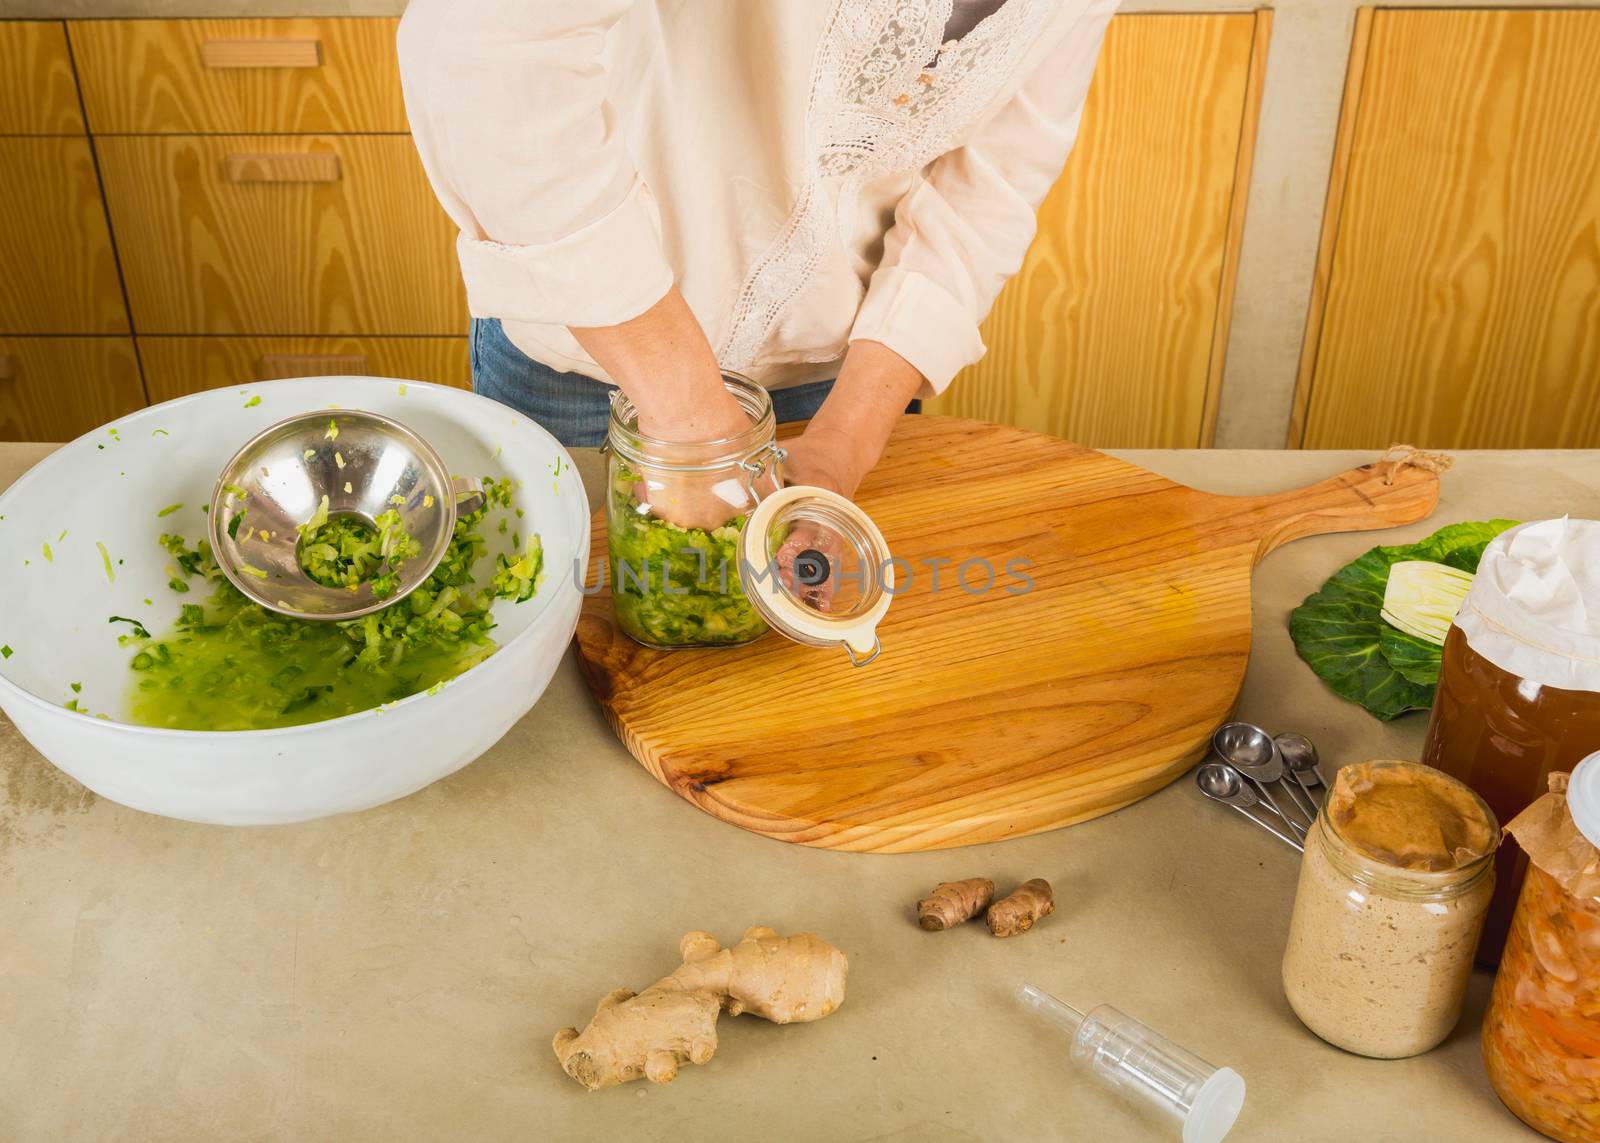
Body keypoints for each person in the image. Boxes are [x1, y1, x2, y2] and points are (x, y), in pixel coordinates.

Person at [398, 0, 1117, 508]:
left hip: (843, 381)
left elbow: (986, 194)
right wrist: (688, 414)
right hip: (588, 365)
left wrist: (843, 448)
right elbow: (478, 54)